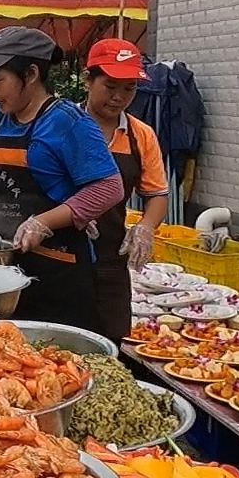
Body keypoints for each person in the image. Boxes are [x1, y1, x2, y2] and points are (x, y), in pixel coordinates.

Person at [0, 27, 124, 335]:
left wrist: (43, 222)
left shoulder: (68, 121)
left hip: (58, 274)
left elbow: (110, 187)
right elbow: (5, 177)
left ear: (30, 73)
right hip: (3, 269)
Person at [83, 38, 172, 338]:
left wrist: (146, 227)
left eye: (129, 89)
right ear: (88, 80)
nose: (119, 97)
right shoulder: (63, 124)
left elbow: (157, 194)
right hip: (63, 255)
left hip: (112, 255)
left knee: (113, 340)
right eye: (110, 86)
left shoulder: (140, 135)